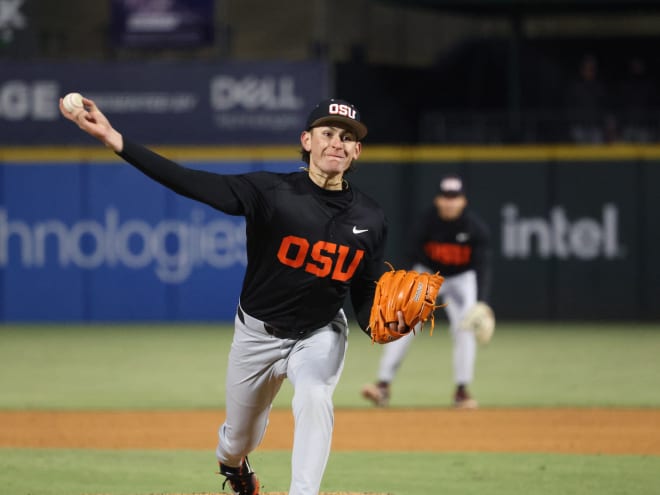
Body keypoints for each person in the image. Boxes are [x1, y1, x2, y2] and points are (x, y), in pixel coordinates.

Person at [59, 96, 407, 495]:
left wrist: (380, 324)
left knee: (314, 396)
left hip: (319, 332)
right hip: (257, 336)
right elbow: (189, 180)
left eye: (347, 137)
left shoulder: (370, 217)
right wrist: (115, 140)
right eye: (327, 133)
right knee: (238, 439)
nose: (336, 143)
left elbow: (365, 289)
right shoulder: (270, 192)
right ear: (307, 141)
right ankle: (233, 464)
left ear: (356, 151)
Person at [361, 174, 491, 409]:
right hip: (427, 274)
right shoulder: (425, 223)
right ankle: (382, 386)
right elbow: (410, 256)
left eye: (455, 198)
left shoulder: (476, 229)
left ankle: (462, 391)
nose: (450, 202)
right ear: (438, 200)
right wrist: (406, 292)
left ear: (463, 201)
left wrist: (481, 302)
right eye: (446, 197)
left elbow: (481, 267)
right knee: (403, 324)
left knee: (466, 328)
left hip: (462, 279)